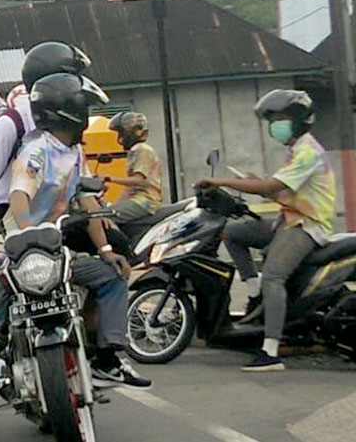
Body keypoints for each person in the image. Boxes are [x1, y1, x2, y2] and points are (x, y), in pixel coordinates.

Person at [0, 73, 149, 442]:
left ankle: (108, 355)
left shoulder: (75, 152)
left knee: (111, 276)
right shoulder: (36, 148)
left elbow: (88, 203)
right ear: (69, 111)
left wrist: (107, 250)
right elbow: (19, 194)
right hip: (14, 253)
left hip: (56, 251)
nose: (87, 114)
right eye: (84, 107)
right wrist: (29, 233)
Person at [196, 89, 335, 372]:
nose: (275, 124)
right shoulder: (295, 150)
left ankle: (270, 352)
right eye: (272, 119)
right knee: (233, 233)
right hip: (287, 220)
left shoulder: (308, 152)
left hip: (307, 226)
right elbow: (277, 189)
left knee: (273, 275)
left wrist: (224, 182)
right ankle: (254, 289)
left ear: (298, 120)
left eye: (280, 118)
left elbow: (271, 187)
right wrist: (251, 182)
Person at [0, 41, 90, 319]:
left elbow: (80, 177)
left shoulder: (72, 122)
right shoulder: (13, 122)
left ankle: (99, 344)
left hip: (56, 216)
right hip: (8, 216)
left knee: (111, 256)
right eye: (71, 78)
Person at [105, 111, 163, 240]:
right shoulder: (135, 151)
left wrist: (108, 178)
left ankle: (122, 249)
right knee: (104, 213)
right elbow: (129, 189)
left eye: (120, 133)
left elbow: (138, 180)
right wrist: (114, 206)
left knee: (102, 219)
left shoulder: (142, 149)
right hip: (137, 199)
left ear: (128, 132)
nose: (119, 139)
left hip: (145, 200)